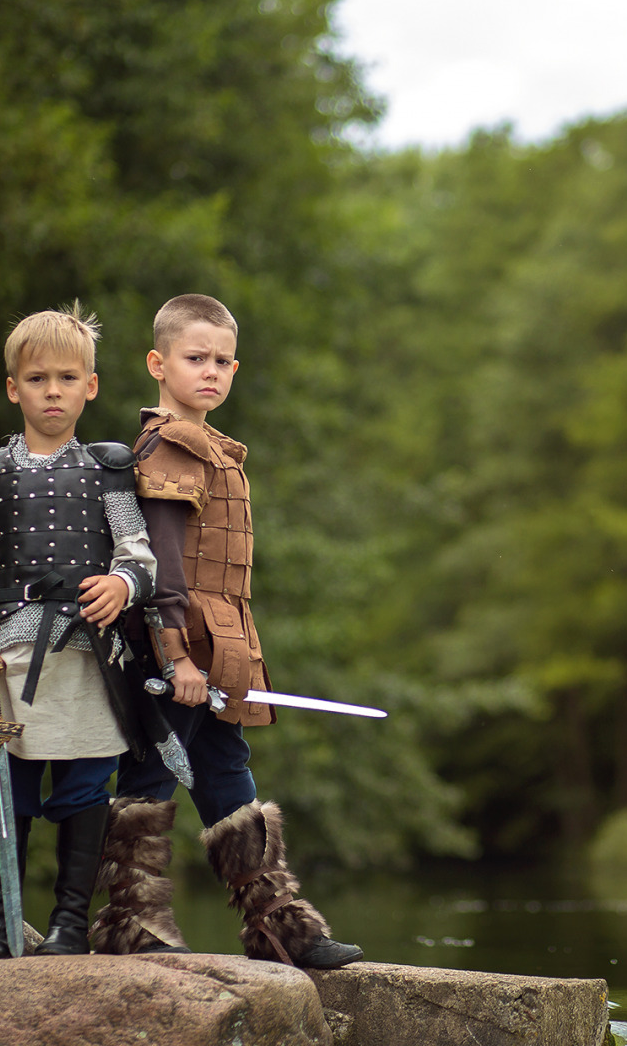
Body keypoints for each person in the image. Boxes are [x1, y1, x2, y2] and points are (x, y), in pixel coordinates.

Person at [90, 293, 362, 969]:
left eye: (221, 361)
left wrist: (220, 659)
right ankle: (133, 923)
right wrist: (176, 658)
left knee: (226, 773)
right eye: (194, 358)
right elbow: (164, 566)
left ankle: (279, 928)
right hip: (175, 651)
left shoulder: (213, 449)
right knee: (152, 775)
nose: (209, 371)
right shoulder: (170, 448)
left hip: (224, 651)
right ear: (158, 364)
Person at [0, 305, 155, 960]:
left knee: (85, 787)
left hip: (87, 661)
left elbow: (139, 557)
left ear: (91, 385)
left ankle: (69, 929)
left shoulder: (108, 470)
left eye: (66, 377)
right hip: (1, 661)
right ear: (13, 388)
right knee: (5, 783)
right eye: (37, 379)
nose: (51, 391)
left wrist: (121, 584)